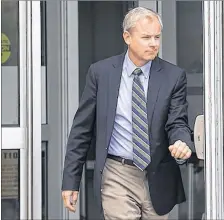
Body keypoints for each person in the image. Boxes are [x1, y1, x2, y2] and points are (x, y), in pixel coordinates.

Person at [61, 6, 193, 219]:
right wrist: (70, 181)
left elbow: (177, 121)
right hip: (117, 173)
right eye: (146, 37)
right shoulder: (101, 73)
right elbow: (81, 130)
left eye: (157, 37)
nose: (153, 43)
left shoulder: (173, 76)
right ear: (127, 37)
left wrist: (182, 142)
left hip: (158, 175)